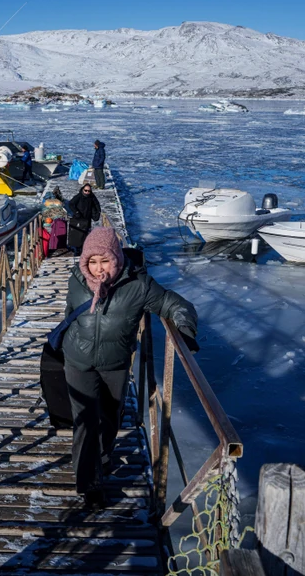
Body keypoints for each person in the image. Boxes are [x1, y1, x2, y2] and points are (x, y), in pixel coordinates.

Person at [61, 227, 198, 509]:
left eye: (105, 261)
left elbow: (175, 304)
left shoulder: (139, 285)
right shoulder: (76, 279)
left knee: (110, 418)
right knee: (86, 421)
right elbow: (69, 313)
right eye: (92, 262)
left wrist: (184, 331)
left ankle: (102, 457)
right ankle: (90, 484)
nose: (98, 269)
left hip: (115, 364)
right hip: (78, 362)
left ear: (118, 259)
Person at [67, 184, 101, 251]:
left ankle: (84, 247)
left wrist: (97, 213)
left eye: (89, 191)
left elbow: (97, 205)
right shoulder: (79, 196)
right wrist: (76, 212)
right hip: (79, 217)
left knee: (86, 233)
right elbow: (71, 204)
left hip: (87, 218)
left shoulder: (92, 197)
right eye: (85, 190)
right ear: (83, 190)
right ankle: (76, 247)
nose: (87, 192)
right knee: (78, 233)